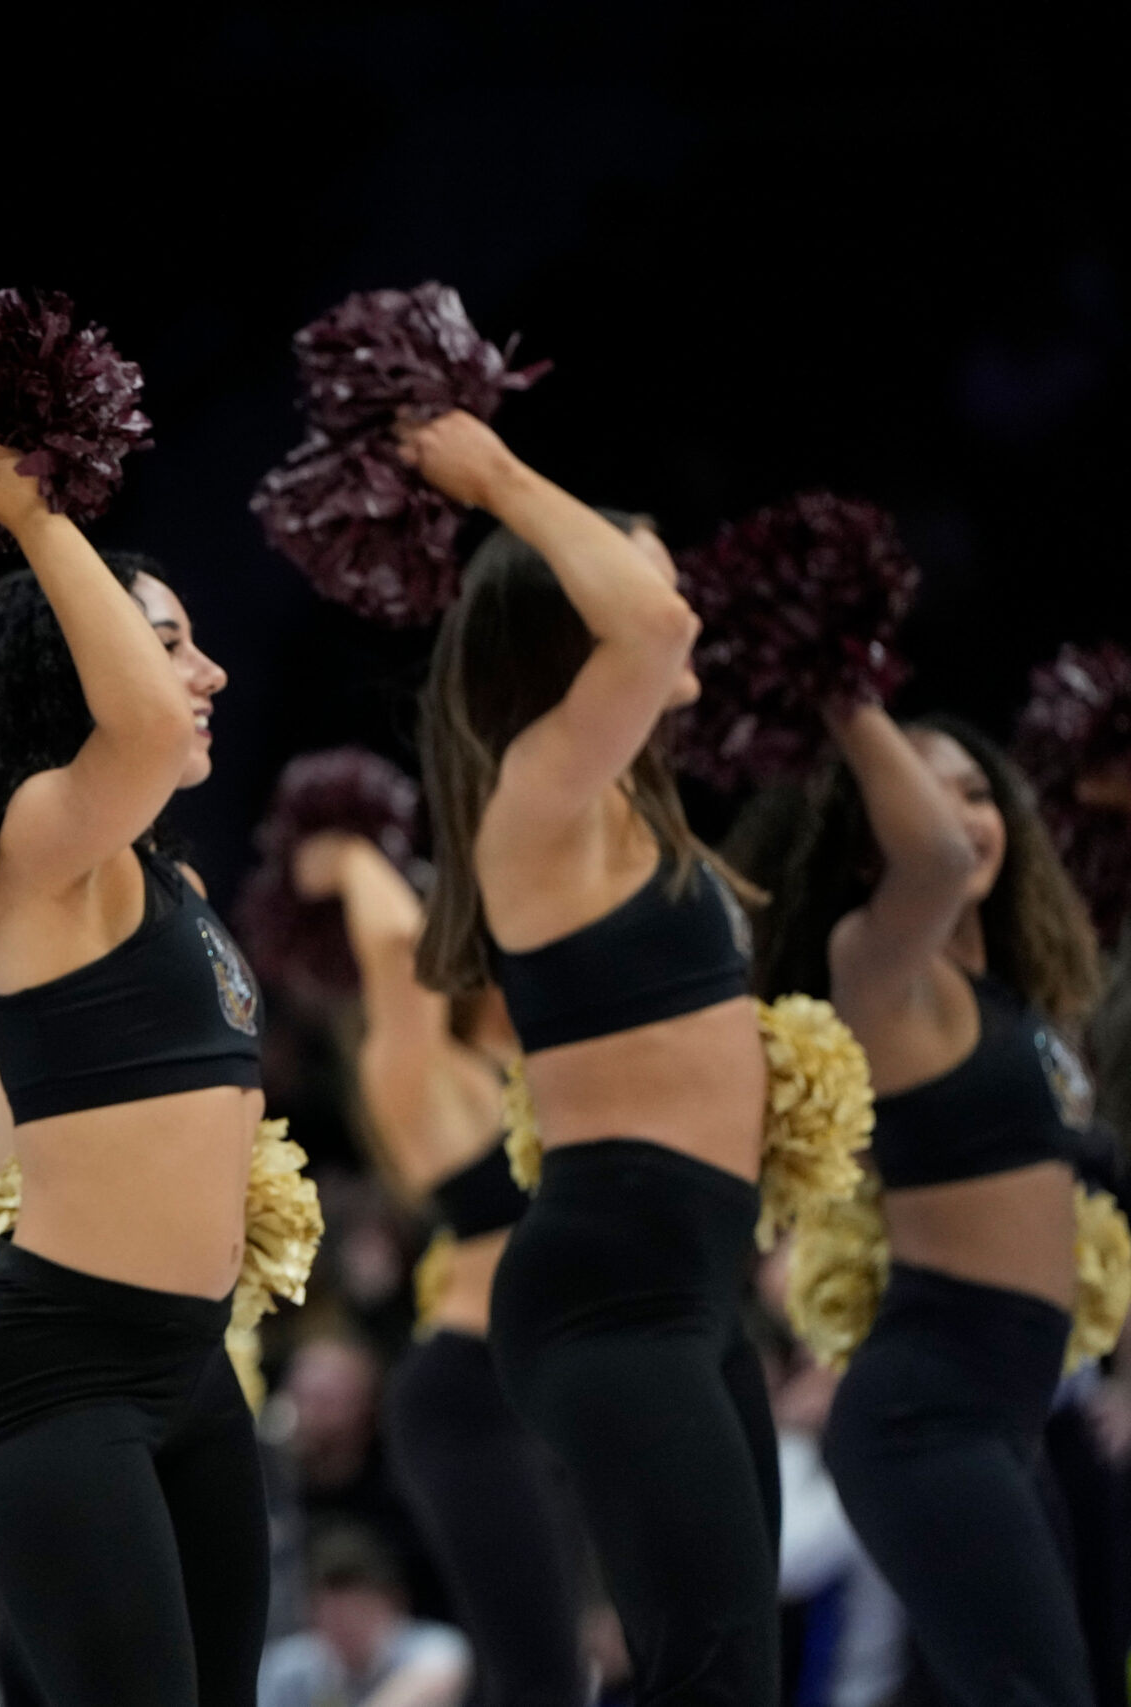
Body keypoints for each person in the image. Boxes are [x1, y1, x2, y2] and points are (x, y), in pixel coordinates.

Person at [0, 442, 271, 1707]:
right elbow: (139, 721)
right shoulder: (32, 853)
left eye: (193, 644)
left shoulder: (175, 885)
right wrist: (29, 514)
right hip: (58, 1375)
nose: (202, 674)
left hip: (195, 1372)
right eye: (163, 642)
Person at [408, 410, 779, 1701]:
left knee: (736, 1665)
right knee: (710, 1667)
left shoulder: (627, 803)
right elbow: (658, 629)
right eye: (643, 566)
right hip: (613, 1292)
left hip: (695, 1285)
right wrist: (498, 477)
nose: (674, 597)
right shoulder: (539, 794)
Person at [757, 705, 1106, 1705]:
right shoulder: (875, 967)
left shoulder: (1009, 994)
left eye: (976, 789)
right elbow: (941, 859)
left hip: (1005, 1416)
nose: (961, 817)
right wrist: (837, 688)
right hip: (927, 1415)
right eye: (923, 791)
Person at [291, 837, 581, 1705]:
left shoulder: (504, 1064)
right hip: (468, 1398)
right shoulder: (408, 1067)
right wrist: (348, 853)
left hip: (538, 1389)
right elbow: (389, 946)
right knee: (539, 1678)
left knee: (549, 1669)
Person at [257, 1526, 469, 1707]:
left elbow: (439, 1675)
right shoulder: (289, 1668)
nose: (347, 1625)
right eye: (334, 1615)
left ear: (393, 1603)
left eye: (359, 1611)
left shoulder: (431, 1646)